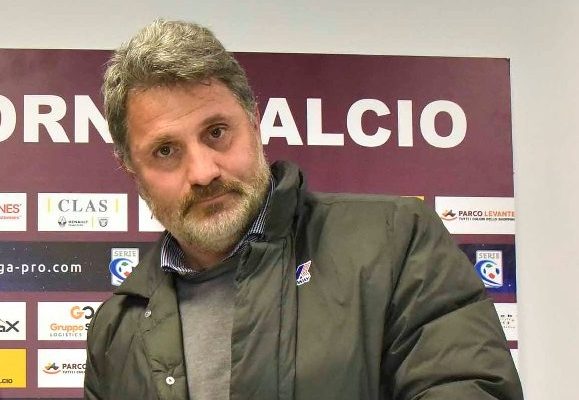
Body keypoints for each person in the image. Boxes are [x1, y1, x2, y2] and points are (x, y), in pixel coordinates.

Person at [84, 19, 523, 400]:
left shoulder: (395, 242)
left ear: (254, 122)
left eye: (216, 132)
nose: (203, 172)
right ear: (131, 169)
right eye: (165, 151)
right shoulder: (114, 331)